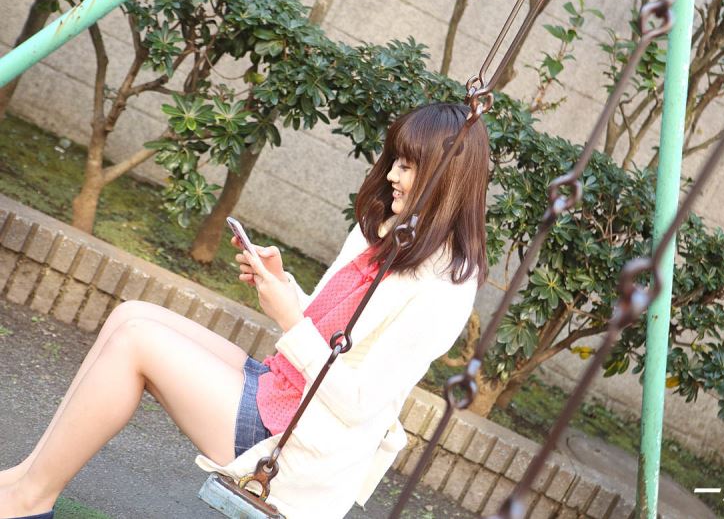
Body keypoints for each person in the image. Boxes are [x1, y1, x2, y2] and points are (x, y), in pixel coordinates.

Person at [0, 102, 490, 519]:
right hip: (278, 387)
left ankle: (29, 501)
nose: (392, 175)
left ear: (446, 180)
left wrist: (289, 319)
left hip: (295, 443)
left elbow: (360, 402)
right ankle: (24, 478)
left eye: (408, 166)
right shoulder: (381, 231)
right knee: (131, 316)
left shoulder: (446, 286)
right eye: (395, 161)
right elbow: (329, 327)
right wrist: (282, 285)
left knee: (136, 343)